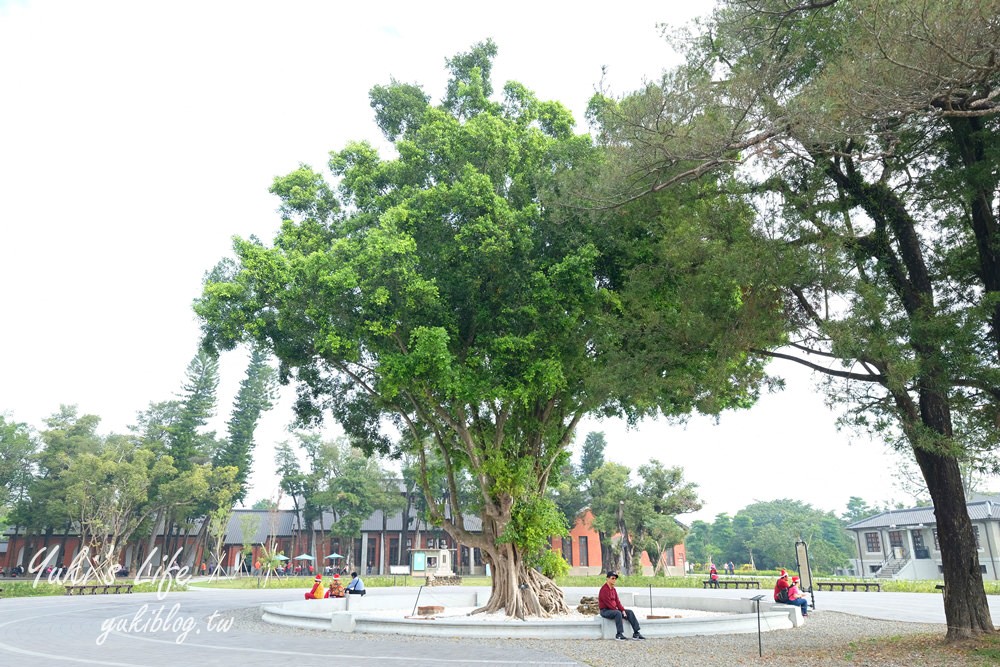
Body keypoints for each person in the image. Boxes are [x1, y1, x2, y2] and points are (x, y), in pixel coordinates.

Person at [598, 571, 645, 640]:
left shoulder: (613, 589)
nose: (614, 580)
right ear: (607, 579)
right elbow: (608, 604)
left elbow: (617, 602)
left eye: (615, 579)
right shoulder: (604, 590)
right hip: (605, 611)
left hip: (613, 610)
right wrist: (619, 611)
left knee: (629, 612)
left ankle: (636, 633)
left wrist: (623, 610)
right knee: (618, 613)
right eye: (612, 578)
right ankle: (619, 634)